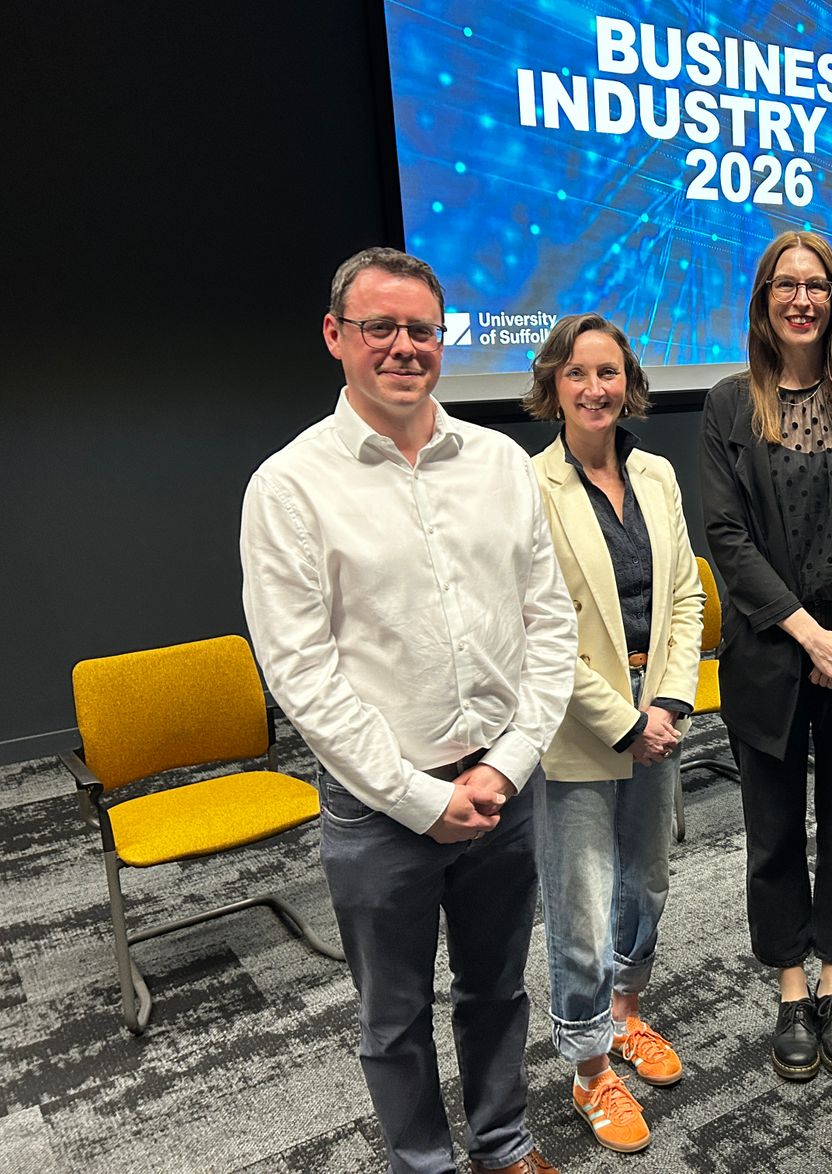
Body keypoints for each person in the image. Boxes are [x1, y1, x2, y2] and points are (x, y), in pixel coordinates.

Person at [240, 247, 575, 1174]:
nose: (401, 347)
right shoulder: (289, 486)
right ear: (335, 336)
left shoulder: (501, 464)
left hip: (504, 783)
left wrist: (506, 765)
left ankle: (502, 1144)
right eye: (378, 327)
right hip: (377, 804)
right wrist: (422, 801)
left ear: (443, 340)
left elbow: (552, 628)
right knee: (392, 1014)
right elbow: (301, 676)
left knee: (496, 989)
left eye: (419, 329)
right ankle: (422, 1163)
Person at [700, 229, 832, 1081]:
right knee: (774, 833)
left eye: (815, 284)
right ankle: (790, 986)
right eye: (784, 284)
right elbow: (725, 534)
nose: (800, 298)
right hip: (773, 650)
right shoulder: (726, 404)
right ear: (763, 300)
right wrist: (806, 632)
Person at [523, 314, 704, 1154]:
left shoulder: (659, 474)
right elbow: (536, 631)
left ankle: (626, 1015)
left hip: (657, 706)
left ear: (628, 382)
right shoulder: (530, 486)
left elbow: (685, 600)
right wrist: (626, 720)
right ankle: (589, 1062)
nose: (595, 389)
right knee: (582, 902)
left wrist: (667, 700)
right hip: (577, 720)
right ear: (552, 384)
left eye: (608, 373)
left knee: (647, 884)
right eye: (577, 373)